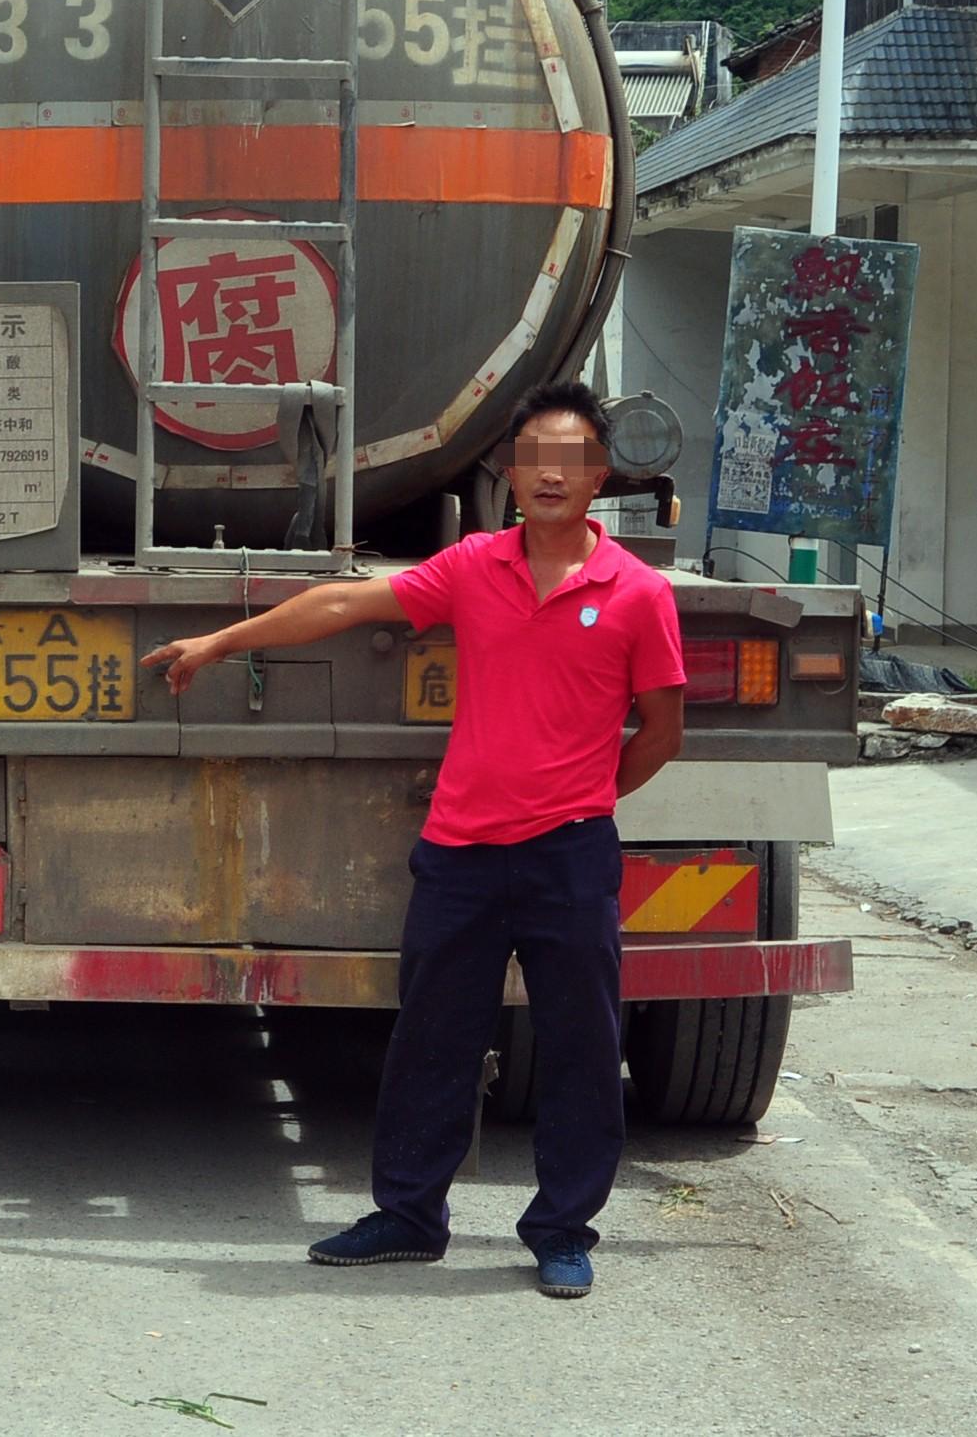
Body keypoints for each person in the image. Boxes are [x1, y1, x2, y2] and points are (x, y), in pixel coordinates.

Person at [140, 380, 686, 1299]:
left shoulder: (637, 594)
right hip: (462, 850)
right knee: (433, 1037)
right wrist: (221, 644)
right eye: (534, 458)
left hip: (570, 855)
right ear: (511, 473)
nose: (551, 475)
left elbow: (663, 730)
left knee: (583, 1046)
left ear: (600, 476)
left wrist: (586, 798)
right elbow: (341, 606)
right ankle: (407, 1217)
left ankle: (561, 1230)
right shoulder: (475, 565)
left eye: (572, 459)